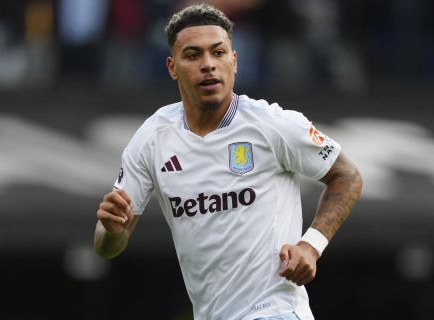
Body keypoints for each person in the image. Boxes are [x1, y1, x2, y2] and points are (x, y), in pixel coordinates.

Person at [94, 4, 362, 320]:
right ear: (172, 67)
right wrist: (111, 230)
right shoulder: (153, 138)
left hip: (276, 310)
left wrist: (311, 245)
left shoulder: (272, 124)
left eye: (218, 53)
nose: (209, 65)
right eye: (193, 55)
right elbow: (108, 245)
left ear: (234, 61)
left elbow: (347, 176)